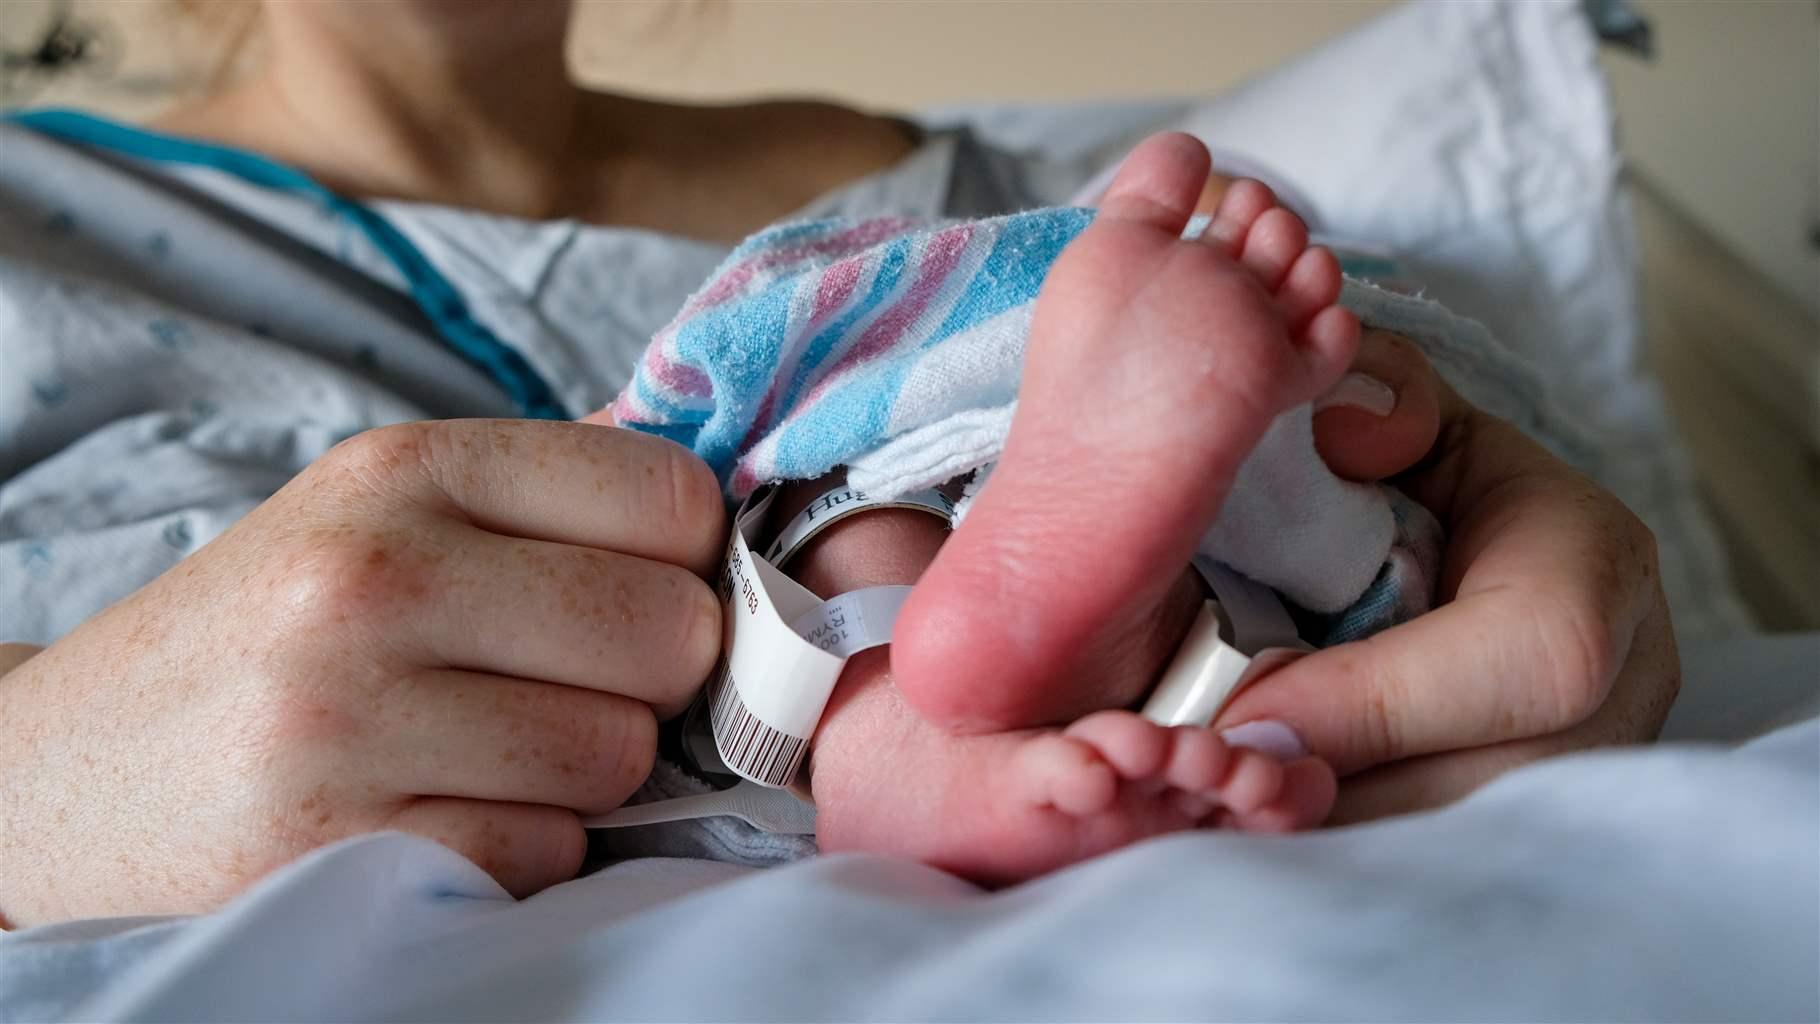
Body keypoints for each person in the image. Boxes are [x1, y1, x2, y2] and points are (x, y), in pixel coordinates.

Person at [0, 0, 1678, 928]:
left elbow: (1362, 395)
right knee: (868, 547)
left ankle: (996, 658)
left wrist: (1479, 486)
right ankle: (979, 698)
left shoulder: (985, 191)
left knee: (916, 491)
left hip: (972, 611)